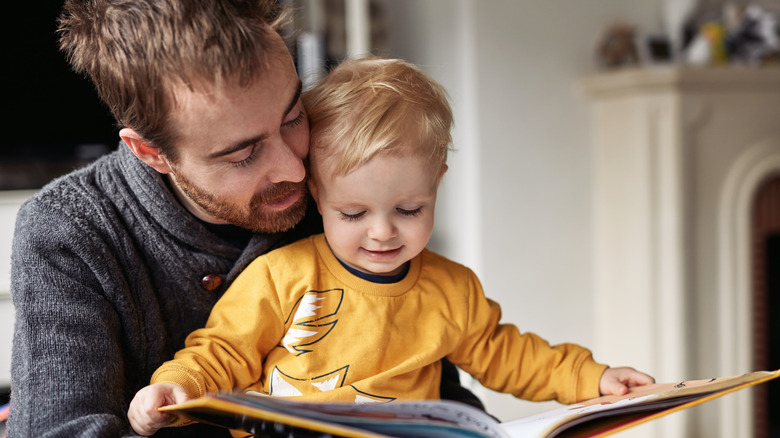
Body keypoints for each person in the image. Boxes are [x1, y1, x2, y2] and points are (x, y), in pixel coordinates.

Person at [7, 1, 480, 437]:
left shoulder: (341, 187)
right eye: (245, 153)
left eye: (293, 115)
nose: (297, 169)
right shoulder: (69, 231)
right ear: (152, 153)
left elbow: (433, 382)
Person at [127, 57, 655, 436]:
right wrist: (178, 386)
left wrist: (595, 378)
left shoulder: (452, 289)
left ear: (437, 185)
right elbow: (224, 351)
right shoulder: (283, 274)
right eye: (353, 214)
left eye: (409, 210)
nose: (383, 232)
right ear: (316, 194)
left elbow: (507, 354)